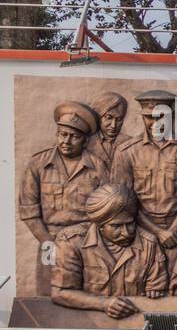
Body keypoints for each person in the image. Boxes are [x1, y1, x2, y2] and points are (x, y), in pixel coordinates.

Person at [111, 88, 177, 267]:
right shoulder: (126, 151)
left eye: (161, 116)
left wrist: (172, 230)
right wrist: (158, 233)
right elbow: (122, 201)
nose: (154, 122)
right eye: (149, 117)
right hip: (139, 227)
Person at [51, 184, 168, 319]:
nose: (126, 233)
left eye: (130, 223)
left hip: (134, 324)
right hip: (88, 324)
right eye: (116, 226)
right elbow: (60, 292)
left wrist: (155, 292)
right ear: (100, 225)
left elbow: (157, 296)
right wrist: (103, 304)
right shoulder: (71, 241)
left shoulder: (149, 244)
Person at [19, 102, 110, 253]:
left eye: (74, 136)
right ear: (57, 134)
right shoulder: (37, 164)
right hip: (49, 239)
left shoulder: (98, 167)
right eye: (63, 134)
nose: (66, 141)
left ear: (86, 141)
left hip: (87, 242)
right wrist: (48, 243)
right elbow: (29, 212)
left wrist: (90, 242)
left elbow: (107, 211)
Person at [87, 92, 130, 169]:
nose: (114, 125)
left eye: (119, 119)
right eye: (109, 117)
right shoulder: (86, 143)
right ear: (98, 117)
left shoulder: (130, 144)